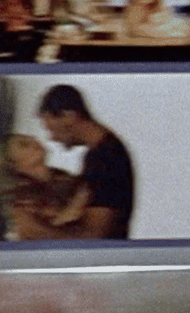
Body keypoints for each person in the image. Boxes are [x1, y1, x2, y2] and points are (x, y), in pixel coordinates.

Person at [26, 84, 135, 240]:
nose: (52, 138)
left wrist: (36, 231)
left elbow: (95, 235)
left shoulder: (106, 158)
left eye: (51, 129)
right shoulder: (99, 155)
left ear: (69, 116)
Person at [0, 133, 92, 240]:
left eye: (32, 139)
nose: (35, 142)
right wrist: (73, 209)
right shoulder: (19, 199)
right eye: (24, 145)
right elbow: (37, 232)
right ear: (11, 164)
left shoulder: (62, 177)